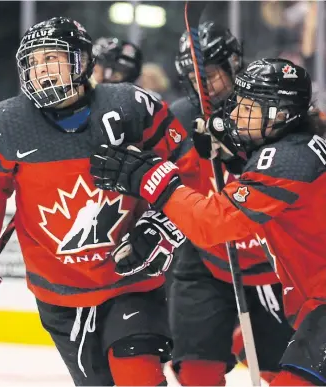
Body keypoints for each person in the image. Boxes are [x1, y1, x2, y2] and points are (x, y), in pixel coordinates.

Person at [0, 16, 205, 386]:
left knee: (139, 378)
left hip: (130, 275)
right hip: (59, 289)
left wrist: (164, 224)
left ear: (82, 62)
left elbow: (185, 163)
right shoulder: (8, 122)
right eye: (33, 63)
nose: (42, 71)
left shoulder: (131, 105)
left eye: (52, 58)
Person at [90, 58, 326, 386]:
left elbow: (214, 224)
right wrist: (235, 157)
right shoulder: (300, 143)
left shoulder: (289, 159)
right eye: (239, 103)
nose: (236, 115)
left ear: (281, 115)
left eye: (250, 108)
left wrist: (154, 179)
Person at [165, 22, 295, 385]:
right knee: (195, 371)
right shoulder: (177, 118)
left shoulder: (272, 108)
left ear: (234, 64)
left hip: (273, 266)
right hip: (206, 258)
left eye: (208, 75)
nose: (200, 84)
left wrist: (236, 155)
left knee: (281, 373)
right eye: (192, 76)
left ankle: (241, 339)